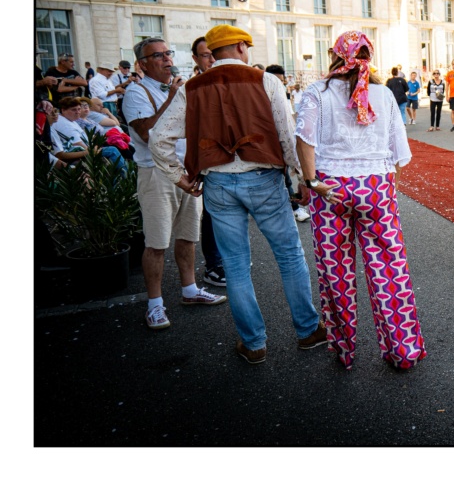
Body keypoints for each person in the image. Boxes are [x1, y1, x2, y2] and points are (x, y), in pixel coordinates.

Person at [149, 25, 325, 364]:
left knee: (235, 265)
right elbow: (287, 137)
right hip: (263, 178)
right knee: (289, 256)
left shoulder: (192, 87)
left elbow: (158, 138)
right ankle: (307, 331)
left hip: (217, 183)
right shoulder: (266, 81)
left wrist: (180, 178)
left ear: (212, 54)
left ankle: (254, 343)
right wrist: (300, 179)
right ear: (243, 47)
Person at [294, 31, 426, 370]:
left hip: (330, 187)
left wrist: (310, 181)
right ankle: (403, 351)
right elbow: (399, 152)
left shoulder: (317, 93)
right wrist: (381, 180)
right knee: (390, 270)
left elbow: (304, 141)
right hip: (376, 187)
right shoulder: (382, 94)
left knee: (336, 271)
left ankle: (344, 350)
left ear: (336, 55)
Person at [122, 38, 225, 330]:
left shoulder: (183, 86)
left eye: (168, 53)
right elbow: (145, 133)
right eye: (158, 56)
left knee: (188, 235)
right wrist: (173, 98)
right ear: (142, 64)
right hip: (155, 174)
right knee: (156, 242)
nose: (167, 59)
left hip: (187, 169)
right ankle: (154, 304)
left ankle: (190, 290)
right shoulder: (135, 92)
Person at [190, 36, 226, 287]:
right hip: (205, 161)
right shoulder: (192, 87)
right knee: (210, 216)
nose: (212, 60)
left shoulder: (226, 83)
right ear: (195, 59)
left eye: (214, 54)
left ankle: (226, 259)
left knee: (228, 215)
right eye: (205, 55)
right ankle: (213, 265)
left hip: (228, 160)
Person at [266, 64, 311, 223]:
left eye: (282, 82)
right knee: (284, 181)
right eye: (276, 81)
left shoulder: (281, 92)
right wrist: (302, 174)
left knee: (285, 180)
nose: (280, 84)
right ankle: (295, 209)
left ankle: (294, 208)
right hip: (271, 150)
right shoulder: (264, 91)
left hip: (282, 148)